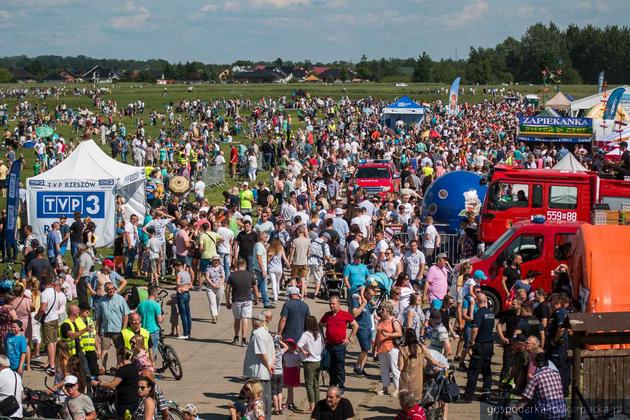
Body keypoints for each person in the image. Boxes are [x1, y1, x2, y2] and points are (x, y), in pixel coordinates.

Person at [460, 293, 495, 403]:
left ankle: (468, 396)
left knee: (473, 371)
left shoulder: (479, 313)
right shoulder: (491, 313)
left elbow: (475, 329)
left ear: (478, 302)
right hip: (489, 345)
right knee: (486, 369)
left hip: (480, 345)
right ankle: (487, 392)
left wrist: (471, 342)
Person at [319, 296, 358, 392]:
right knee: (330, 366)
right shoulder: (327, 315)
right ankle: (332, 385)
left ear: (338, 304)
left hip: (340, 345)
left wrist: (349, 338)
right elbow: (320, 325)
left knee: (339, 367)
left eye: (333, 304)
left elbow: (355, 326)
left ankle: (340, 385)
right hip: (329, 345)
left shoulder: (345, 314)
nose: (331, 306)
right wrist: (322, 337)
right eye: (330, 304)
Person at [398, 328, 446, 401]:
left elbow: (400, 367)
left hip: (406, 381)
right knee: (415, 400)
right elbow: (432, 360)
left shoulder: (402, 349)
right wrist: (441, 365)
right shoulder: (421, 348)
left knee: (405, 399)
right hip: (417, 381)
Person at [242, 313, 274, 420]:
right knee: (266, 398)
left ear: (254, 322)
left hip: (259, 372)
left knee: (258, 399)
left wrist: (268, 366)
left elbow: (261, 353)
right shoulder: (267, 333)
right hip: (266, 372)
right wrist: (271, 366)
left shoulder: (257, 334)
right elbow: (273, 352)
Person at [517, 353, 567, 419]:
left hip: (547, 414)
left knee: (523, 412)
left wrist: (514, 409)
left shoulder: (536, 377)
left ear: (536, 363)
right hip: (562, 412)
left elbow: (525, 398)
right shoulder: (556, 374)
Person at [95, 282, 131, 372]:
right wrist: (97, 329)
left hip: (117, 329)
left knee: (119, 349)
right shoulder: (101, 301)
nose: (111, 291)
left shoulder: (120, 299)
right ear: (105, 290)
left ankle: (119, 366)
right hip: (105, 329)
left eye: (112, 289)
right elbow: (99, 316)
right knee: (104, 349)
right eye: (109, 289)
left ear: (114, 289)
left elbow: (125, 314)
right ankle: (103, 367)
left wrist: (124, 328)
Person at [225, 258, 259, 346]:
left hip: (236, 300)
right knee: (245, 319)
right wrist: (256, 299)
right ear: (245, 265)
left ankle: (236, 337)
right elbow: (255, 289)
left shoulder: (232, 275)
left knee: (237, 319)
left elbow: (227, 290)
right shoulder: (250, 275)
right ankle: (244, 339)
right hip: (247, 300)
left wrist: (227, 302)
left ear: (237, 265)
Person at [96, 348, 139, 417]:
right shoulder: (134, 367)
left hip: (125, 402)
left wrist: (98, 384)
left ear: (120, 356)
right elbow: (127, 376)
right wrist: (117, 370)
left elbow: (113, 385)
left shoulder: (123, 369)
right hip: (134, 400)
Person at [375, 300, 403, 397]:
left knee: (395, 369)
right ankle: (385, 387)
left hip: (392, 348)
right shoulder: (380, 320)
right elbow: (377, 334)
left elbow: (399, 333)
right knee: (383, 369)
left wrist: (388, 334)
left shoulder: (393, 320)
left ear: (388, 310)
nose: (381, 311)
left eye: (383, 309)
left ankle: (397, 388)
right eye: (381, 309)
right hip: (381, 347)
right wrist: (375, 347)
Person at [297, 315, 324, 414]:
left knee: (309, 385)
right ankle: (318, 405)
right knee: (316, 384)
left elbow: (299, 344)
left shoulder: (306, 334)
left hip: (309, 362)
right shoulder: (318, 333)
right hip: (318, 361)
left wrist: (303, 351)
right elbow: (322, 346)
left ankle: (312, 407)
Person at [349, 285, 376, 376]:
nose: (372, 297)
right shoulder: (357, 300)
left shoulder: (368, 301)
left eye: (373, 295)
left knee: (367, 350)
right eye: (371, 295)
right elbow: (354, 314)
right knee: (365, 349)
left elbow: (372, 312)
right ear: (365, 294)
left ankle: (361, 368)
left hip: (369, 328)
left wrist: (372, 304)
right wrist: (363, 303)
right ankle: (357, 367)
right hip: (361, 328)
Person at [37, 277, 58, 375]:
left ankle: (52, 366)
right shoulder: (55, 292)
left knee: (49, 343)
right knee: (53, 342)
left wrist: (37, 316)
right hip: (55, 318)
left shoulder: (44, 293)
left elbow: (43, 308)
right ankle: (52, 363)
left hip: (48, 320)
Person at [136, 285, 164, 359]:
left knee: (144, 351)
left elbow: (137, 317)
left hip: (143, 331)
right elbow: (159, 320)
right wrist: (163, 318)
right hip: (153, 330)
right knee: (152, 351)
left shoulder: (141, 304)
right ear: (155, 294)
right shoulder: (156, 305)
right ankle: (151, 366)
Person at [289, 225, 311, 297]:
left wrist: (290, 261)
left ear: (298, 231)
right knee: (303, 280)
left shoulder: (295, 241)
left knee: (293, 278)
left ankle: (294, 294)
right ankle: (302, 296)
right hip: (304, 262)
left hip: (296, 262)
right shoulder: (308, 241)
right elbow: (309, 253)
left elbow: (292, 252)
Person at [174, 261, 192, 339]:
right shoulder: (187, 273)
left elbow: (178, 283)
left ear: (177, 266)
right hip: (187, 293)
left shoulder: (179, 274)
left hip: (181, 294)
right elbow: (190, 284)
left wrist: (181, 285)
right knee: (188, 314)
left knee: (183, 314)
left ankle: (185, 333)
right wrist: (186, 284)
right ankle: (188, 332)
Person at [72, 244, 93, 308]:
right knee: (83, 293)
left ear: (79, 249)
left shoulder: (82, 257)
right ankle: (84, 306)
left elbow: (81, 268)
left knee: (81, 294)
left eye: (77, 249)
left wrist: (77, 279)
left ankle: (83, 307)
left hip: (82, 277)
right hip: (86, 276)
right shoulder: (88, 256)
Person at [206, 255, 225, 323]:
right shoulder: (209, 268)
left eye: (217, 260)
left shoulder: (221, 268)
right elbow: (207, 277)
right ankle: (214, 316)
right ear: (212, 261)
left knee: (218, 302)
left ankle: (216, 314)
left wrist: (219, 284)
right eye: (215, 260)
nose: (216, 261)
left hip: (220, 287)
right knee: (212, 302)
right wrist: (212, 284)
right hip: (210, 288)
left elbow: (223, 277)